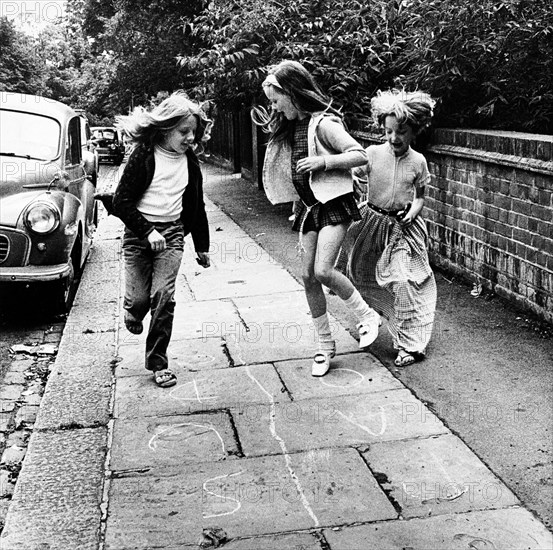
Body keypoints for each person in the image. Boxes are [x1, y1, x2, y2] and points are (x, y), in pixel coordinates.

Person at [252, 60, 381, 377]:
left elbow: (360, 155)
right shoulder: (291, 127)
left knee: (324, 270)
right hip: (309, 209)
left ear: (292, 92)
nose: (276, 108)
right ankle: (324, 345)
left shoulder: (323, 124)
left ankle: (366, 315)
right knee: (308, 276)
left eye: (276, 100)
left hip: (334, 204)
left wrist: (324, 163)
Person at [112, 92, 212, 387]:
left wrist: (202, 246)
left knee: (163, 297)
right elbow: (121, 202)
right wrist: (147, 231)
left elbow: (198, 205)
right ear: (165, 128)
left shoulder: (190, 162)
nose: (190, 137)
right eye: (184, 131)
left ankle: (158, 363)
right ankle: (133, 309)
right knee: (141, 300)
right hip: (138, 234)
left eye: (194, 131)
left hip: (171, 234)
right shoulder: (144, 154)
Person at [337, 89, 437, 367]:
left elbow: (420, 197)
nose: (394, 138)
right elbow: (353, 176)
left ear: (413, 132)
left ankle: (410, 345)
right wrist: (352, 182)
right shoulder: (371, 153)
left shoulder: (418, 161)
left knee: (404, 281)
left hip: (403, 230)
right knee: (360, 274)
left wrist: (412, 213)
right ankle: (375, 315)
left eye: (401, 132)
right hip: (371, 223)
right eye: (389, 131)